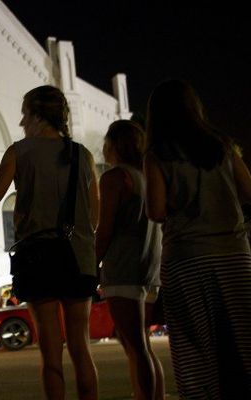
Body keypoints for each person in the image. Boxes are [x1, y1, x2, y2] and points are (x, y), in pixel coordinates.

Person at [0, 85, 100, 399]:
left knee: (51, 354)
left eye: (24, 115)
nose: (21, 123)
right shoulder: (83, 155)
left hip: (39, 258)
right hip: (79, 258)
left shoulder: (20, 152)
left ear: (37, 115)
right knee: (81, 348)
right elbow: (94, 216)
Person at [143, 79, 251, 399]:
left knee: (195, 346)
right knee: (243, 337)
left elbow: (157, 210)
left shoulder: (158, 154)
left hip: (187, 258)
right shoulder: (222, 145)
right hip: (233, 253)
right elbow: (248, 191)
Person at [95, 120, 164, 400]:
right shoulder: (147, 177)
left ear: (113, 145)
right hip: (150, 267)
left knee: (133, 346)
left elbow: (106, 229)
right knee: (143, 344)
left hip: (124, 268)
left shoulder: (114, 178)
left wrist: (92, 264)